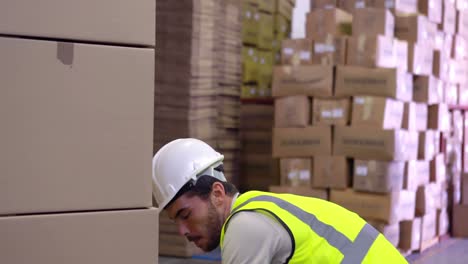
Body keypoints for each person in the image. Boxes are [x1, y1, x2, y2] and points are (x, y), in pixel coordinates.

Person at [152, 138, 408, 263]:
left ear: (217, 194)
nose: (182, 231)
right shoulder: (259, 207)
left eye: (185, 215)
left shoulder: (244, 227)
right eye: (176, 221)